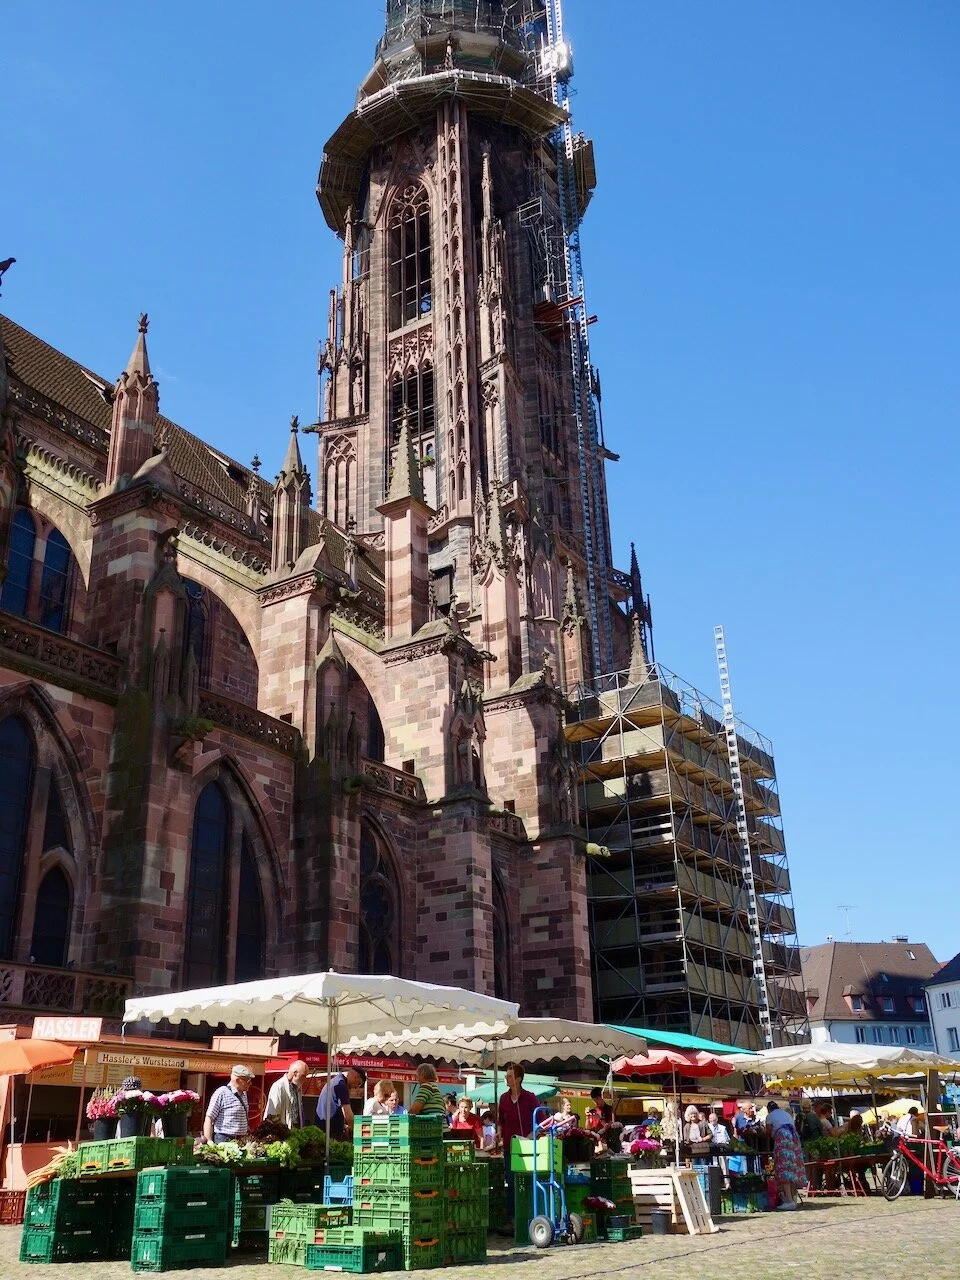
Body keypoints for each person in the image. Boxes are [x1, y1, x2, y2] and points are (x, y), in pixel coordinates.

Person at [497, 1063, 539, 1230]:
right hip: (510, 1147)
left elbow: (541, 1121)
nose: (506, 1079)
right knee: (511, 1182)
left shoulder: (530, 1098)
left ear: (518, 1079)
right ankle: (512, 1219)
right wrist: (499, 1131)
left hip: (527, 1147)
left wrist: (530, 1136)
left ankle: (529, 1216)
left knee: (527, 1182)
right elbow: (501, 1120)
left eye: (509, 1076)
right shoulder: (503, 1098)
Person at [765, 1101, 804, 1211]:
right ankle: (793, 1197)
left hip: (782, 1138)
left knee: (784, 1167)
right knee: (792, 1167)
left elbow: (767, 1132)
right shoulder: (786, 1114)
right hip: (794, 1138)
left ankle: (789, 1200)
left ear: (769, 1109)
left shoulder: (770, 1116)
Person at [204, 1065, 255, 1144]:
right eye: (248, 1081)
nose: (250, 1084)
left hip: (241, 1140)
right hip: (224, 1139)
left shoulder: (244, 1094)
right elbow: (209, 1118)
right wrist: (209, 1140)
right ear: (238, 1080)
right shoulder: (221, 1092)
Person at [316, 1066, 366, 1141]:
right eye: (359, 1084)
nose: (356, 1087)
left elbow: (333, 1107)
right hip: (329, 1133)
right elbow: (348, 1115)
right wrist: (360, 1133)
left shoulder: (335, 1081)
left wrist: (343, 1126)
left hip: (323, 1128)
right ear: (355, 1077)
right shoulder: (341, 1085)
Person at [263, 1060, 307, 1130]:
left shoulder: (298, 1087)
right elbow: (272, 1115)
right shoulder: (278, 1086)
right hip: (283, 1132)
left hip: (295, 1130)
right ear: (295, 1073)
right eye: (303, 1076)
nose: (305, 1079)